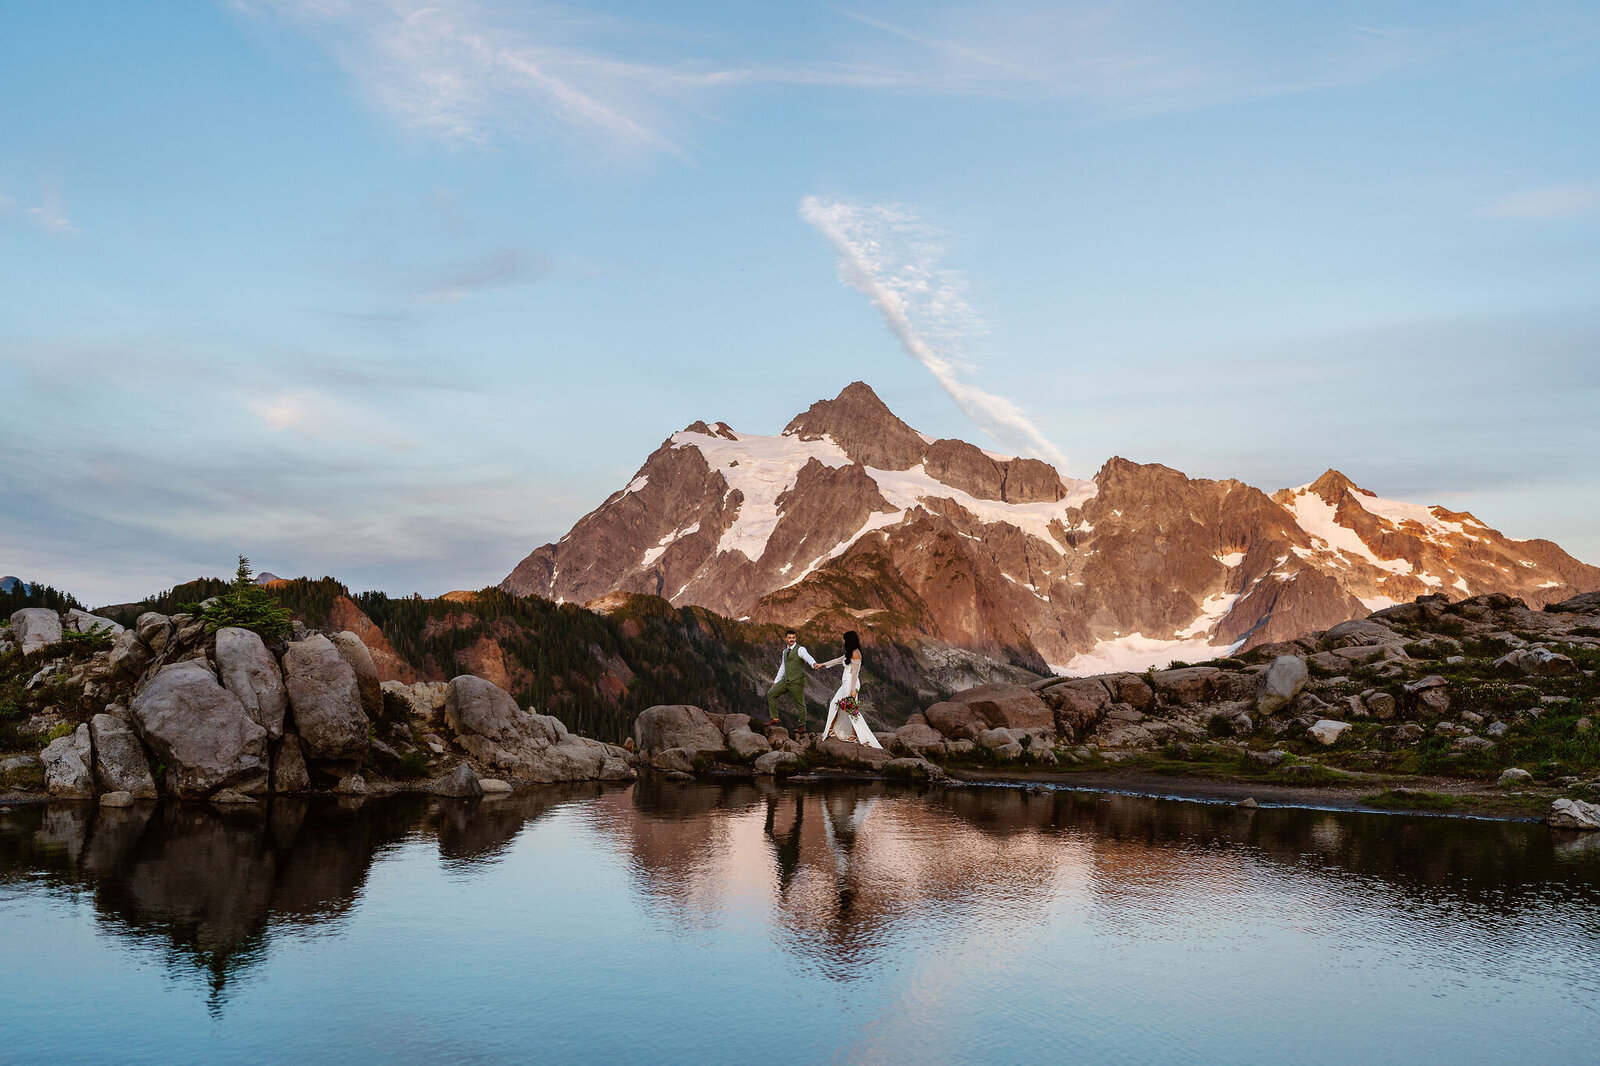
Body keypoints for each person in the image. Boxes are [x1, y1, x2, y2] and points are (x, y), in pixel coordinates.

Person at [817, 630, 881, 747]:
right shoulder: (849, 652)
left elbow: (855, 674)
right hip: (845, 684)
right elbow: (837, 660)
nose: (844, 642)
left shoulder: (856, 653)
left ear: (849, 641)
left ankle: (855, 735)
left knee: (851, 709)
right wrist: (822, 664)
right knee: (835, 704)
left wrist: (852, 690)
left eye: (845, 639)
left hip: (851, 684)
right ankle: (831, 729)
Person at [767, 628, 818, 732]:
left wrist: (813, 664)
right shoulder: (785, 651)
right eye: (789, 638)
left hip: (796, 681)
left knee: (800, 704)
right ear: (786, 638)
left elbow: (808, 657)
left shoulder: (800, 649)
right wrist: (776, 681)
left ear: (796, 638)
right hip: (786, 680)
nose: (791, 639)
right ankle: (774, 718)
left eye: (793, 637)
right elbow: (783, 667)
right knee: (771, 693)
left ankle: (802, 726)